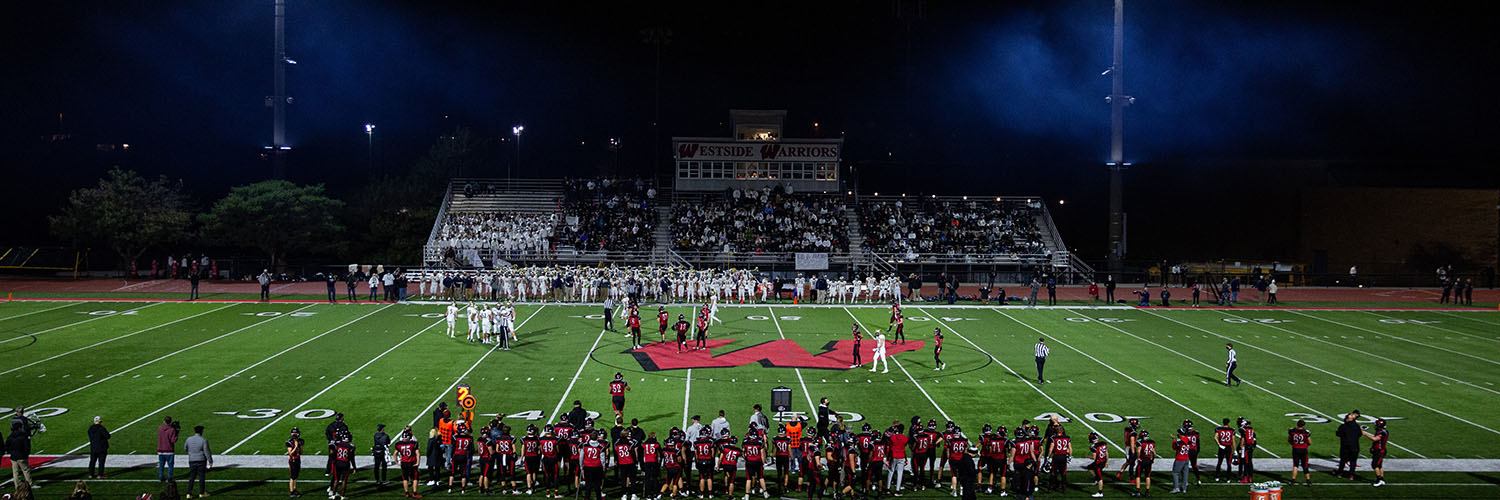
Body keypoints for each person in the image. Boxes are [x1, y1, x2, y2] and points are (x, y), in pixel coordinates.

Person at [183, 425, 213, 499]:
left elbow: (185, 448)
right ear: (201, 431)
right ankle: (201, 493)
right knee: (201, 477)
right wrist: (210, 460)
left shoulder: (189, 439)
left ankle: (188, 493)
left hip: (192, 460)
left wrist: (191, 453)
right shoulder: (203, 440)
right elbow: (206, 451)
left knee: (192, 477)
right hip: (201, 460)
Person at [393, 427, 423, 499]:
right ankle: (414, 493)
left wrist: (396, 462)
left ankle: (406, 493)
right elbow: (418, 453)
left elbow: (395, 454)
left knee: (405, 479)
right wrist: (418, 462)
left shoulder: (399, 444)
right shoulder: (413, 443)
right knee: (415, 478)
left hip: (404, 463)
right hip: (412, 463)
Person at [1362, 419, 1389, 487]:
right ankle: (1382, 479)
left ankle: (1379, 480)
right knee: (1379, 465)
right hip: (1380, 450)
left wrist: (1365, 434)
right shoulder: (1383, 431)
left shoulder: (1381, 432)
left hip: (1380, 451)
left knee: (1375, 465)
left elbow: (1375, 439)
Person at [1335, 411, 1362, 479]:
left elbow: (1338, 434)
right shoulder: (1357, 426)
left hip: (1345, 446)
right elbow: (1360, 434)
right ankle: (1351, 475)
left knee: (1343, 460)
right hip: (1355, 446)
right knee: (1353, 461)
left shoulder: (1343, 426)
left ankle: (1340, 473)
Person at [8, 422, 33, 488]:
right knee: (26, 470)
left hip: (13, 457)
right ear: (19, 428)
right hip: (22, 456)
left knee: (15, 472)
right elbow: (27, 446)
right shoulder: (23, 436)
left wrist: (11, 452)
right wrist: (26, 453)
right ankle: (29, 485)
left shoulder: (10, 436)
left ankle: (17, 486)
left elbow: (7, 446)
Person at [1288, 419, 1312, 487]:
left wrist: (1294, 444)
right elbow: (1309, 442)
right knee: (1305, 465)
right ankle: (1308, 481)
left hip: (1295, 449)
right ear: (1304, 425)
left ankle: (1293, 480)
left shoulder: (1292, 431)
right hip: (1303, 449)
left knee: (1295, 465)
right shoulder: (1306, 432)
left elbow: (1289, 440)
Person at [1083, 432, 1107, 498]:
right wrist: (1106, 461)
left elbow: (1094, 457)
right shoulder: (1103, 443)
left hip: (1098, 463)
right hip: (1103, 461)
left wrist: (1088, 456)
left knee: (1100, 478)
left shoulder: (1093, 447)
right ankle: (1096, 479)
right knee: (1090, 467)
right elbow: (1106, 453)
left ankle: (1100, 492)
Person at [158, 416, 180, 481]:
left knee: (161, 465)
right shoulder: (172, 430)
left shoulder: (159, 428)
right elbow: (173, 440)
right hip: (169, 450)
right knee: (170, 465)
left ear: (164, 421)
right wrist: (177, 433)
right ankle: (169, 477)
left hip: (161, 449)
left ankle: (161, 477)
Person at [286, 427, 305, 498]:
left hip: (298, 459)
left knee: (296, 476)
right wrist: (296, 446)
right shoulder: (289, 442)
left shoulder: (300, 441)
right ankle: (291, 492)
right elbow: (290, 453)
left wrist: (300, 447)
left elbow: (301, 452)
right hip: (293, 460)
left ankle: (294, 489)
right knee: (292, 476)